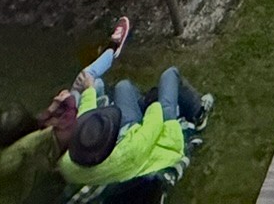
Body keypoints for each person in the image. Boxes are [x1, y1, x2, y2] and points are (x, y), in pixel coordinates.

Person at [61, 59, 207, 191]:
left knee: (123, 86)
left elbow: (86, 119)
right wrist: (153, 104)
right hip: (162, 140)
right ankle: (199, 114)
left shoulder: (68, 166)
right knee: (170, 74)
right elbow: (155, 118)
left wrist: (89, 89)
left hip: (127, 147)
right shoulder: (130, 149)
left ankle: (142, 103)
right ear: (112, 137)